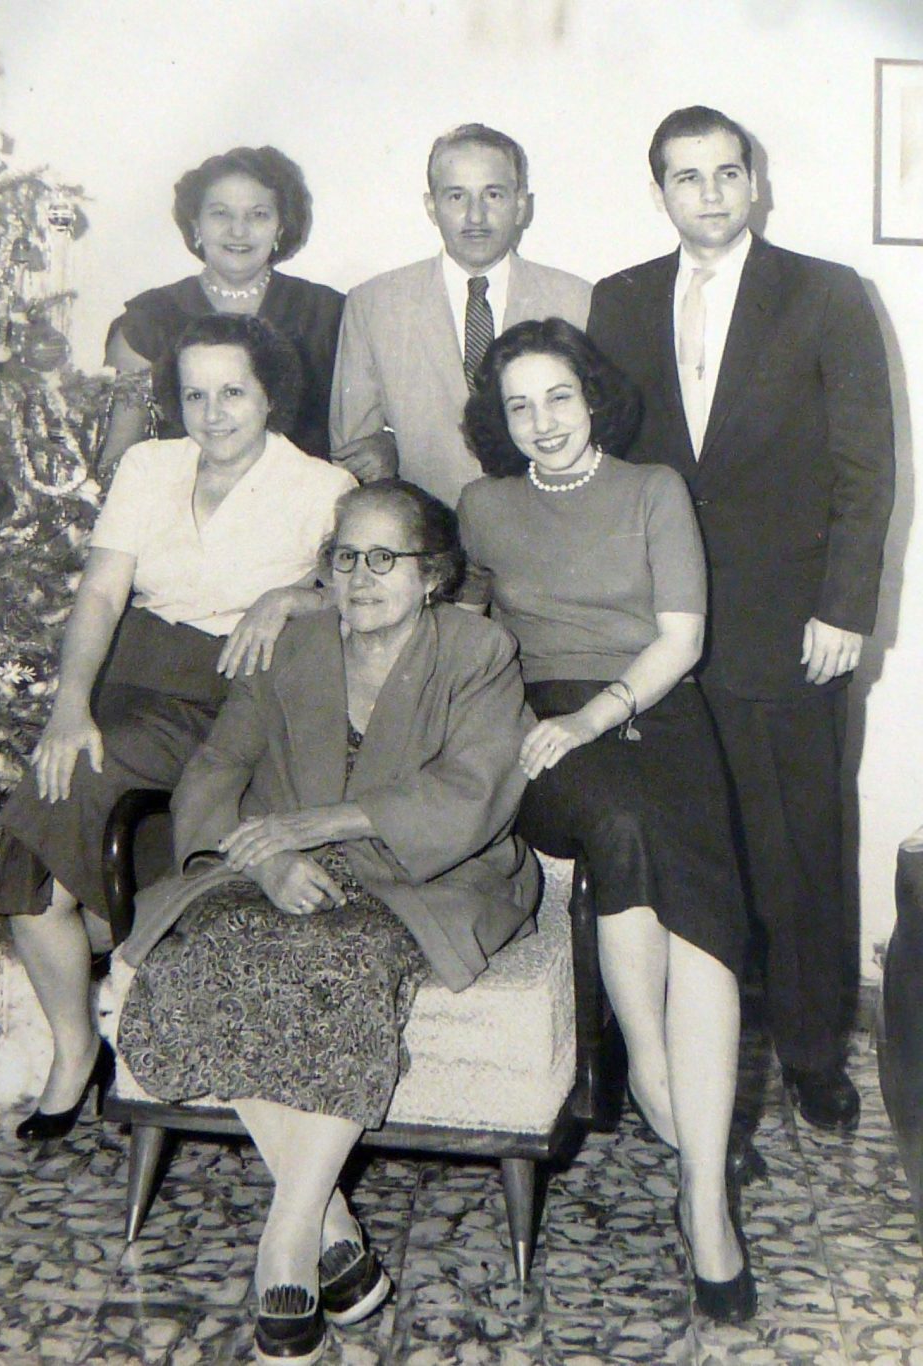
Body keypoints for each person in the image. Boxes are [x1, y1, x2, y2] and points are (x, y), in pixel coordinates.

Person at [105, 480, 540, 1366]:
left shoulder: (478, 649)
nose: (362, 576)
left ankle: (286, 1245)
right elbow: (212, 775)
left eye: (386, 558)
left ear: (432, 575)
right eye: (346, 557)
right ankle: (336, 1236)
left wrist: (323, 824)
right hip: (275, 865)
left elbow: (474, 790)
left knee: (341, 966)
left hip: (425, 871)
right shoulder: (290, 648)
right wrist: (265, 859)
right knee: (206, 956)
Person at [588, 106, 896, 1132]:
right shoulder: (620, 301)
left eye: (728, 174)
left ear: (755, 183)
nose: (710, 194)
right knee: (683, 842)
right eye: (688, 177)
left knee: (802, 842)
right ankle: (671, 1056)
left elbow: (867, 467)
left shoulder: (824, 293)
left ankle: (812, 1052)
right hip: (661, 627)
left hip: (792, 627)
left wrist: (846, 608)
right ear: (660, 190)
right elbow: (610, 465)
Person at [0, 313, 356, 1143]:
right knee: (41, 843)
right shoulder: (149, 466)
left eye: (232, 392)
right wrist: (69, 705)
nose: (213, 413)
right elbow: (104, 595)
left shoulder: (320, 487)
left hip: (234, 699)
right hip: (127, 683)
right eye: (194, 394)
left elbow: (365, 597)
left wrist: (289, 597)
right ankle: (79, 1045)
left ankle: (89, 1037)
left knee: (54, 840)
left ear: (269, 395)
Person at [458, 318, 755, 1323]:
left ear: (592, 397)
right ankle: (665, 1088)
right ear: (498, 421)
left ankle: (702, 1193)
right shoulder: (483, 506)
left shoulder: (652, 488)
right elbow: (465, 638)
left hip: (653, 709)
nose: (542, 422)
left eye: (559, 397)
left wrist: (601, 712)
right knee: (623, 818)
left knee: (697, 895)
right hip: (543, 731)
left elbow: (682, 638)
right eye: (519, 405)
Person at [329, 122, 592, 508]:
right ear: (431, 207)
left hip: (546, 527)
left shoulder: (577, 301)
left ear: (521, 205)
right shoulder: (373, 305)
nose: (475, 216)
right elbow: (355, 452)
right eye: (456, 197)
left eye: (494, 194)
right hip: (426, 535)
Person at [101, 145, 343, 467]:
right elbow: (118, 458)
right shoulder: (148, 321)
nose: (238, 230)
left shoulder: (328, 314)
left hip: (303, 510)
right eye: (220, 213)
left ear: (280, 227)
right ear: (196, 225)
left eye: (258, 214)